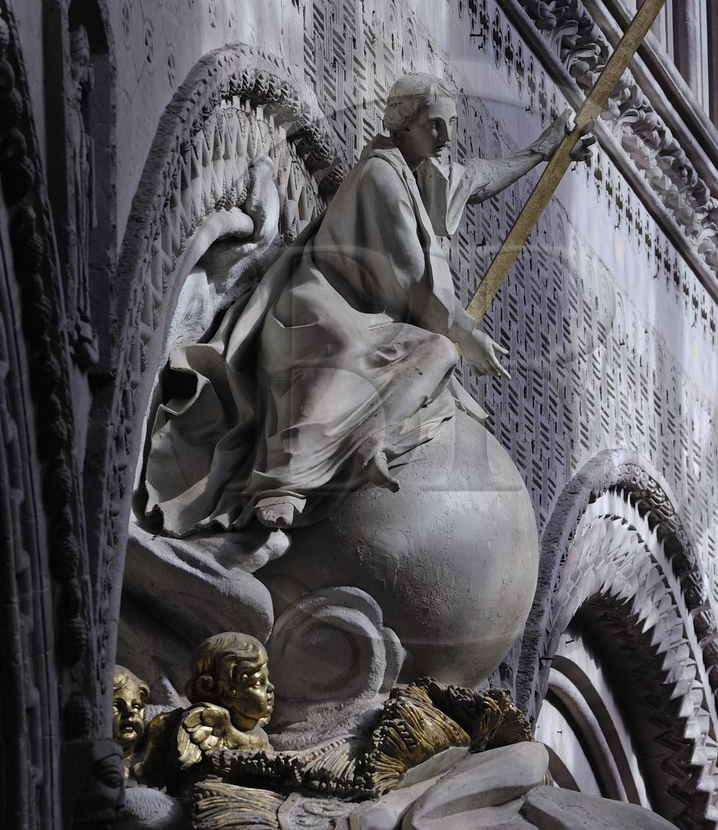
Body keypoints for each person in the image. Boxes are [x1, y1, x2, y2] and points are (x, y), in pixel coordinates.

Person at [144, 74, 589, 537]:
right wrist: (466, 334)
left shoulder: (425, 178)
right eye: (435, 126)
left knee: (431, 359)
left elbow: (479, 178)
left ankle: (368, 436)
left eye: (450, 125)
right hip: (322, 306)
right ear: (403, 126)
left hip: (369, 318)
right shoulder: (382, 176)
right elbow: (413, 283)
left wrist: (547, 148)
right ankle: (284, 483)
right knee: (418, 351)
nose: (446, 138)